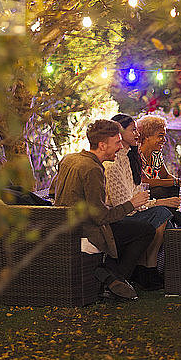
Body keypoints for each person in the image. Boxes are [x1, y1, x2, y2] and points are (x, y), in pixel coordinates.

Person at [50, 119, 153, 300]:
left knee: (131, 227)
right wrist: (132, 204)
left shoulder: (69, 159)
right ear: (102, 145)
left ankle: (111, 275)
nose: (121, 147)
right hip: (85, 231)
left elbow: (53, 191)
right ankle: (114, 279)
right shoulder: (93, 169)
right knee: (145, 230)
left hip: (66, 226)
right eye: (117, 143)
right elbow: (101, 217)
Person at [104, 114, 180, 289]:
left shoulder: (127, 157)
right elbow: (125, 206)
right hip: (118, 216)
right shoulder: (113, 163)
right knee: (162, 214)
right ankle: (148, 269)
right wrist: (161, 202)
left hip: (131, 209)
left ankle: (150, 270)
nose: (136, 134)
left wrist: (162, 199)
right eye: (133, 130)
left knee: (165, 215)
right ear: (120, 133)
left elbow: (137, 194)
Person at [136, 115, 181, 193]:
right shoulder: (136, 155)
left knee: (178, 191)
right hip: (142, 198)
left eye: (164, 136)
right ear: (146, 136)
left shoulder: (156, 154)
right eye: (160, 136)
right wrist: (177, 182)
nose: (164, 140)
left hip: (155, 195)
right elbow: (145, 181)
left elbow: (165, 176)